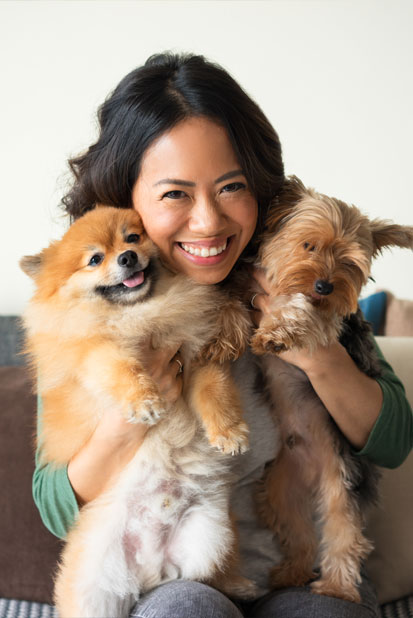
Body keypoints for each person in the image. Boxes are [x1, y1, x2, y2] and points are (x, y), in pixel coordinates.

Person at [33, 52, 413, 618]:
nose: (208, 221)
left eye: (231, 186)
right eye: (175, 194)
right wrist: (127, 414)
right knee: (182, 609)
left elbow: (393, 440)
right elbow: (57, 507)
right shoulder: (96, 319)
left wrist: (317, 355)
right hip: (176, 577)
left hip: (306, 580)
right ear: (126, 198)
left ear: (261, 190)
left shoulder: (302, 283)